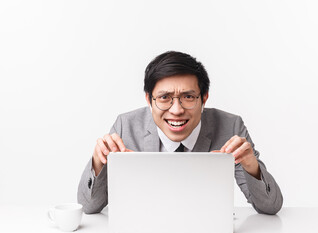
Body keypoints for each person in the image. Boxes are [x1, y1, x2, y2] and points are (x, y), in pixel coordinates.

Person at [77, 51, 283, 215]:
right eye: (165, 97)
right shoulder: (126, 126)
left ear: (204, 98)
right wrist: (97, 162)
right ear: (149, 100)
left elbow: (270, 207)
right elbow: (89, 207)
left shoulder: (230, 126)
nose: (176, 110)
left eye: (188, 97)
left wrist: (251, 167)